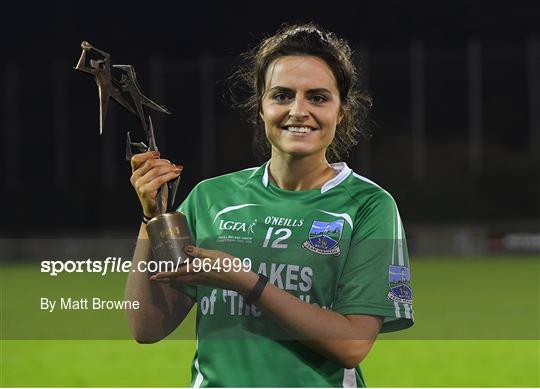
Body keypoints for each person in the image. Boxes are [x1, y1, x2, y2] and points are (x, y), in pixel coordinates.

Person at [125, 23, 414, 388]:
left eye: (318, 97)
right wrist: (152, 216)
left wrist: (245, 281)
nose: (298, 110)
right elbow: (146, 327)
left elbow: (353, 344)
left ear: (341, 111)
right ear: (260, 106)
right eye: (282, 95)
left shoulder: (368, 205)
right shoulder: (211, 198)